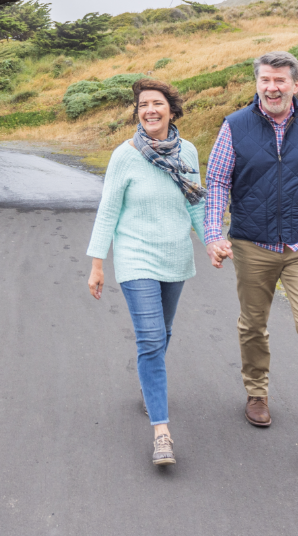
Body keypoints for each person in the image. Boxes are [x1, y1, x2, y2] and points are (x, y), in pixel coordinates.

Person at [203, 51, 298, 471]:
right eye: (265, 80)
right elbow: (217, 181)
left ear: (295, 85)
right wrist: (213, 234)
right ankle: (256, 391)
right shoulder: (234, 126)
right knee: (254, 323)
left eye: (280, 81)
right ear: (257, 84)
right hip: (253, 244)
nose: (272, 88)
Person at [86, 78, 205, 466]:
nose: (149, 110)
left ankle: (148, 384)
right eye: (142, 106)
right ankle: (162, 432)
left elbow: (196, 205)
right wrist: (98, 262)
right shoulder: (125, 155)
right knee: (151, 338)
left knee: (164, 332)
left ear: (172, 109)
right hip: (136, 257)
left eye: (156, 103)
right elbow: (108, 209)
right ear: (137, 113)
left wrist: (214, 240)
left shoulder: (187, 151)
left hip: (174, 255)